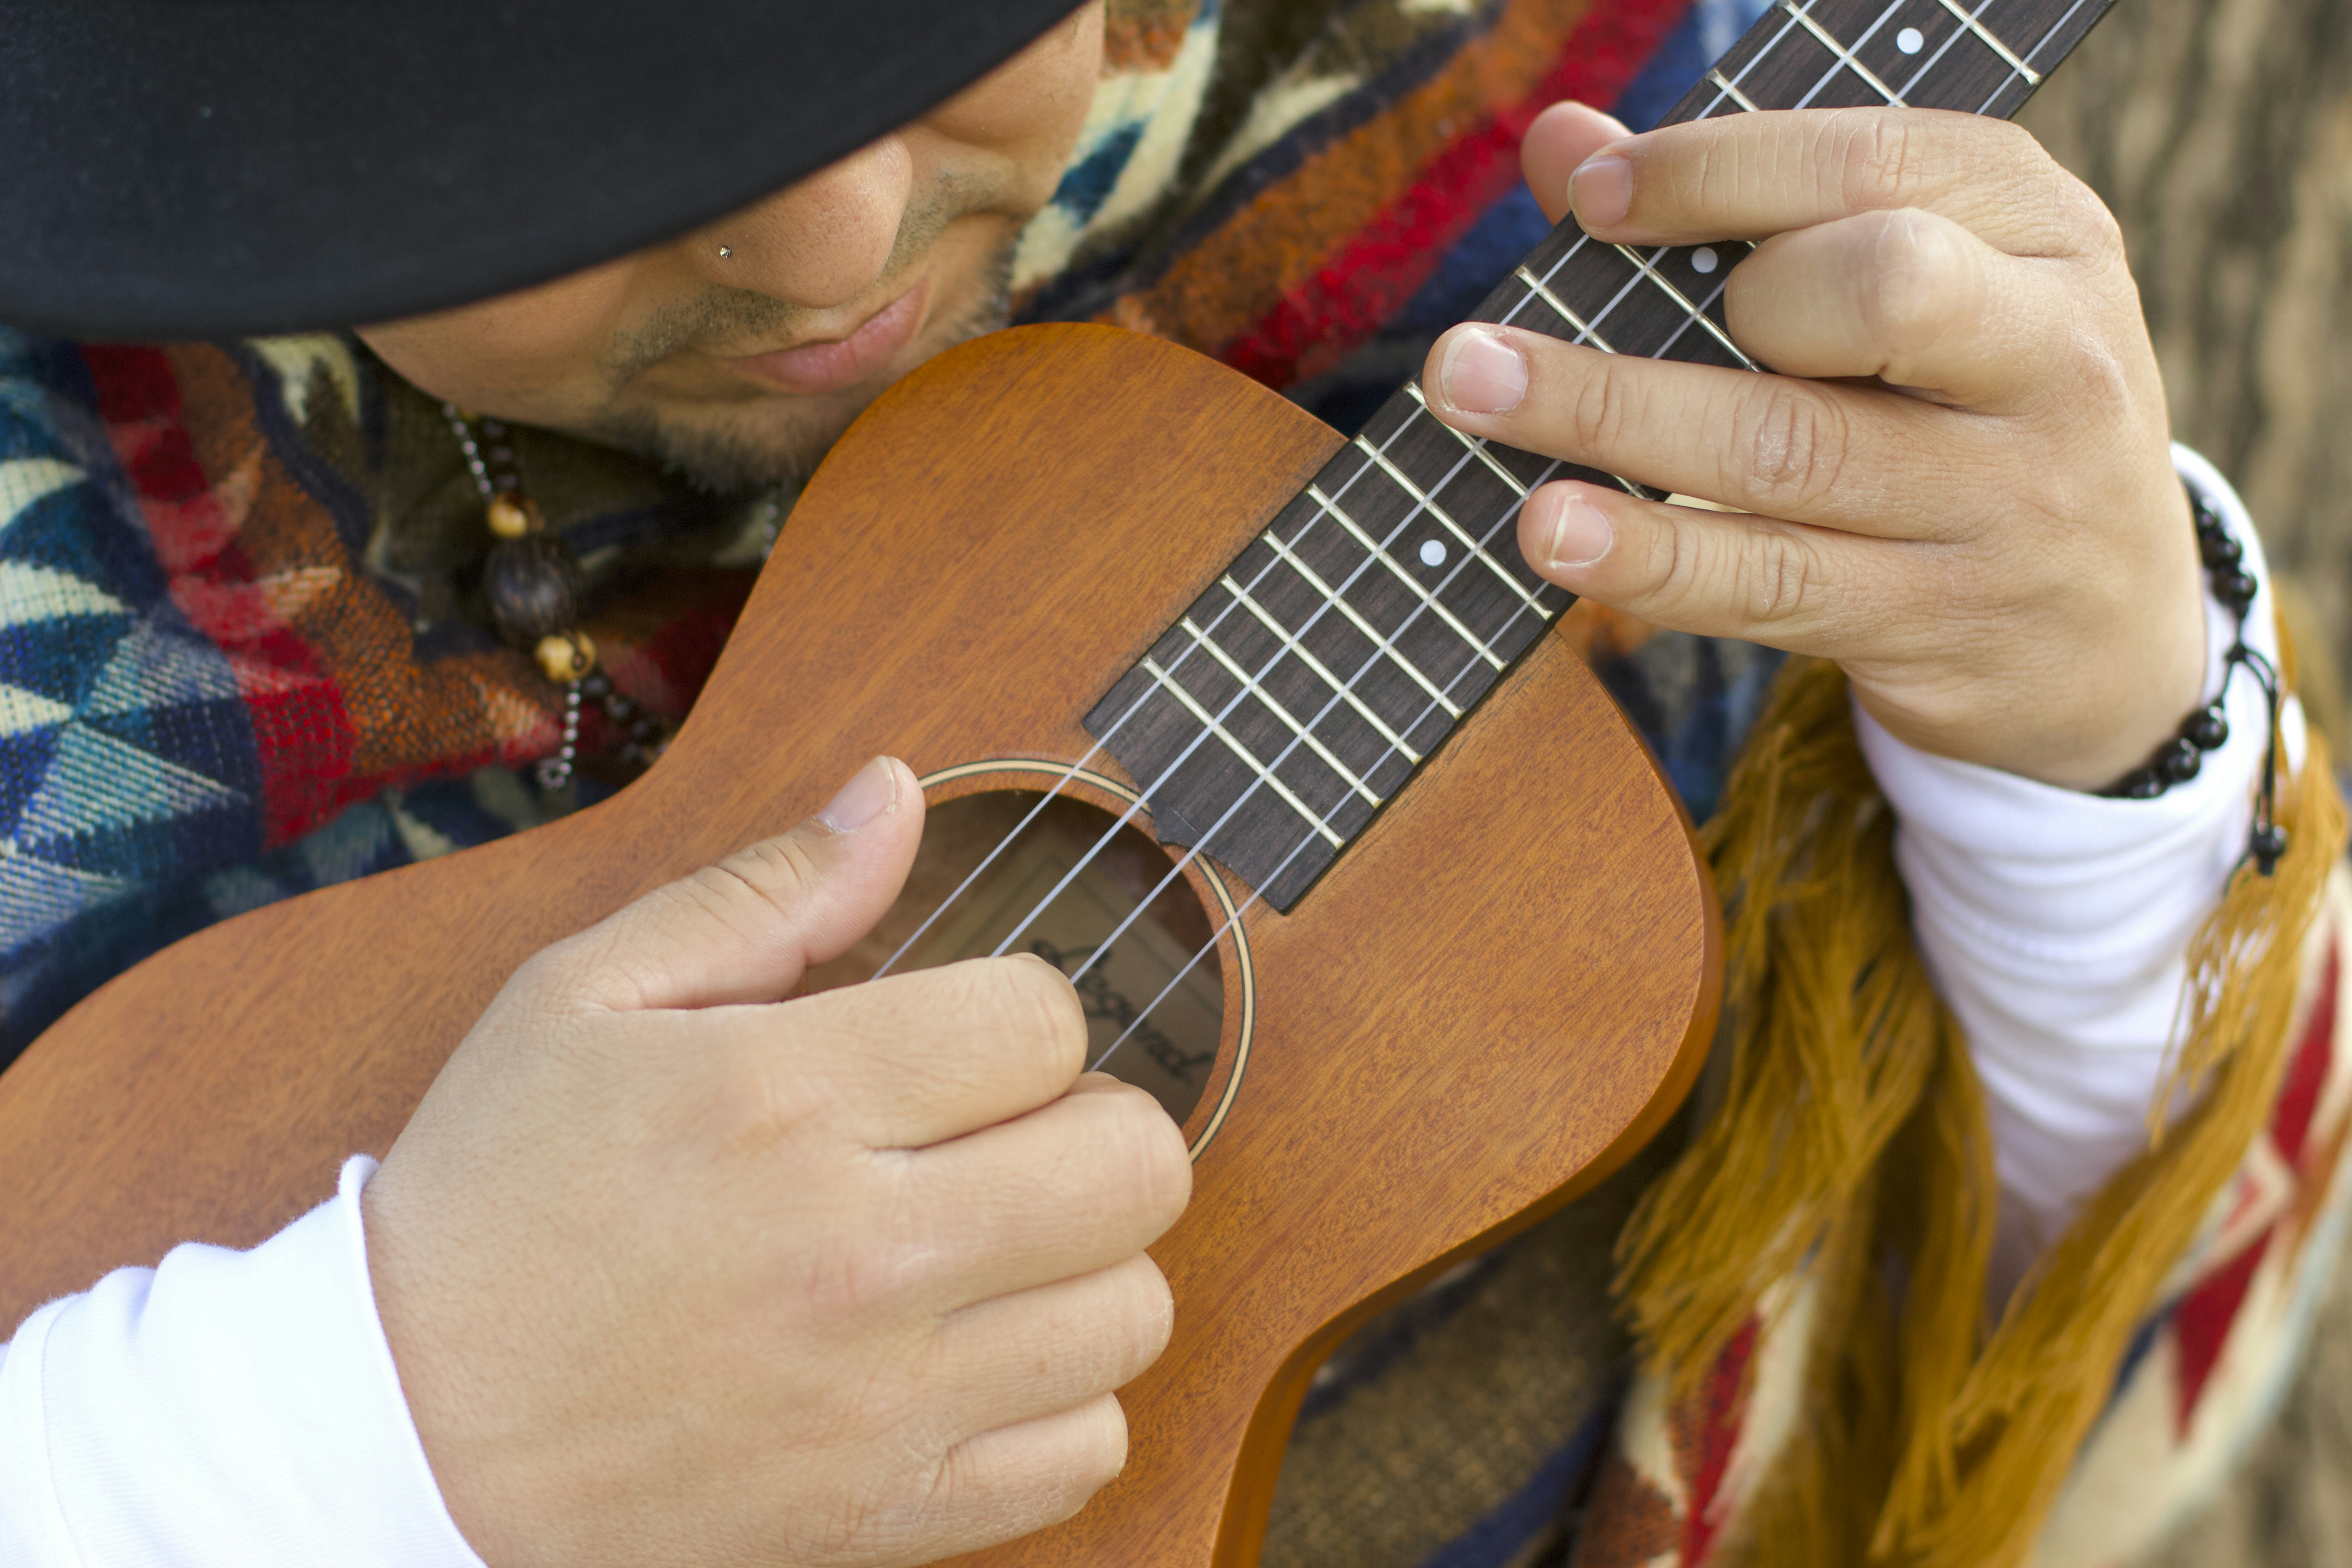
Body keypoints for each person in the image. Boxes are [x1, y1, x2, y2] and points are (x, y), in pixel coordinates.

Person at [0, 1, 2341, 1564]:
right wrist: (365, 1425)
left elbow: (1977, 1310)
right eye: (548, 128)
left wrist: (2096, 739)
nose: (835, 240)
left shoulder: (1573, 104)